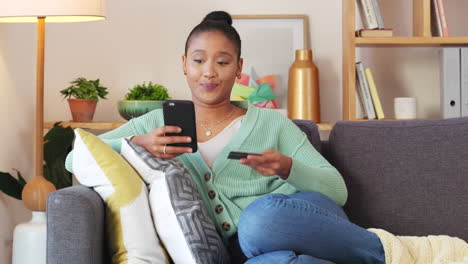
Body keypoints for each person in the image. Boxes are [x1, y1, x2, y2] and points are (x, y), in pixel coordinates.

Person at [66, 11, 468, 264]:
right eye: (199, 60)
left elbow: (336, 192)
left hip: (291, 217)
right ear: (184, 66)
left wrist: (288, 167)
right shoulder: (154, 122)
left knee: (259, 221)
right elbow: (75, 158)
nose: (209, 72)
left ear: (238, 69)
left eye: (222, 62)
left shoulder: (273, 123)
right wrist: (136, 146)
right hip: (244, 253)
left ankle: (399, 256)